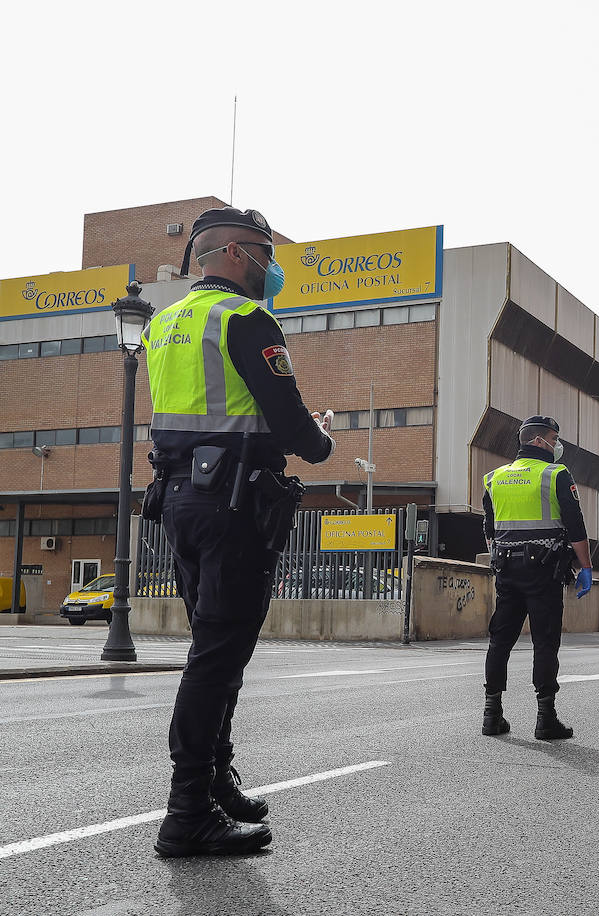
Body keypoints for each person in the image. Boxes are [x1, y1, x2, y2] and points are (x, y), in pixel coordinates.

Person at [144, 206, 334, 857]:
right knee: (218, 656)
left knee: (215, 648)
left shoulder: (164, 324)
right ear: (232, 254)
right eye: (266, 252)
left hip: (178, 502)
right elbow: (293, 430)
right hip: (232, 508)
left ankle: (217, 780)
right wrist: (324, 439)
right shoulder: (246, 319)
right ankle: (187, 810)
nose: (272, 266)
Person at [481, 416, 593, 740]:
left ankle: (492, 715)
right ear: (538, 441)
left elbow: (489, 528)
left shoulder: (494, 478)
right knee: (544, 642)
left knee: (499, 641)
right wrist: (586, 567)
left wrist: (498, 558)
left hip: (506, 571)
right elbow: (575, 525)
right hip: (543, 571)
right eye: (554, 438)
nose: (558, 445)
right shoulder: (555, 474)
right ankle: (546, 719)